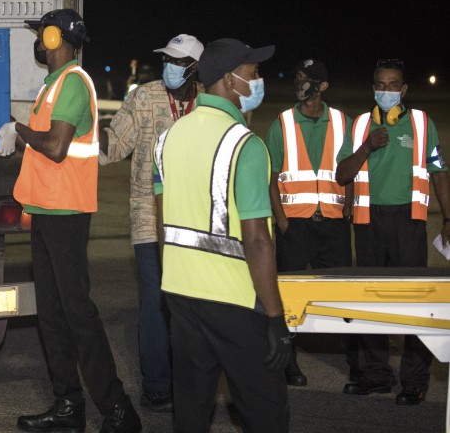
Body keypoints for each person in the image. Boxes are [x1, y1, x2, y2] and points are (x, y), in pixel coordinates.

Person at [0, 8, 142, 433]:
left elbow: (57, 147)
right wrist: (20, 141)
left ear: (57, 38)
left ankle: (117, 411)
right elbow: (49, 151)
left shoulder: (74, 84)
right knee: (52, 315)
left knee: (77, 313)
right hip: (45, 211)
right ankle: (68, 406)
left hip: (67, 214)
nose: (38, 41)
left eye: (42, 34)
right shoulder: (52, 86)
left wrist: (19, 130)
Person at [153, 38, 290, 433]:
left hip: (179, 294)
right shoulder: (245, 145)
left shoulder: (168, 140)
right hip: (232, 297)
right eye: (253, 73)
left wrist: (177, 278)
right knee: (266, 409)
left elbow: (165, 225)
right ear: (230, 81)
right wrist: (275, 316)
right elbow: (258, 240)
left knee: (192, 411)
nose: (258, 80)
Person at [98, 33, 203, 413]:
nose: (169, 67)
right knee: (156, 302)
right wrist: (76, 132)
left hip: (198, 221)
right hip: (148, 218)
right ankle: (158, 385)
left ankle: (193, 381)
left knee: (194, 304)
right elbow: (114, 145)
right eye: (167, 60)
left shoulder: (210, 103)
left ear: (194, 68)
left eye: (177, 62)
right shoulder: (144, 96)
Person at [335, 58, 449, 405]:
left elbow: (438, 172)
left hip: (409, 223)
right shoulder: (359, 127)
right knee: (370, 301)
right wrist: (367, 146)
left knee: (413, 303)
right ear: (373, 87)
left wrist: (447, 218)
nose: (386, 91)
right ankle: (376, 376)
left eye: (392, 84)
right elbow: (342, 175)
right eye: (380, 85)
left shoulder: (420, 123)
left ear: (404, 89)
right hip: (369, 223)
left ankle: (413, 381)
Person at [265, 58, 354, 387]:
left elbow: (354, 167)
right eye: (298, 77)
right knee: (288, 298)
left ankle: (356, 363)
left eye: (307, 78)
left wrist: (350, 206)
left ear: (323, 86)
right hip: (296, 226)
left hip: (333, 225)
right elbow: (270, 178)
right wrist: (282, 221)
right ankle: (289, 363)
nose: (300, 83)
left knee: (345, 296)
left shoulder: (343, 123)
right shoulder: (282, 124)